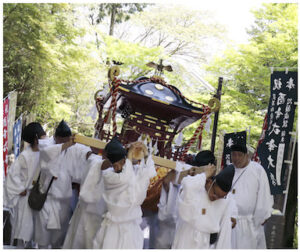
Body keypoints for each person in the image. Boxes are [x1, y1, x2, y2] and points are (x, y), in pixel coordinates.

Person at [34, 120, 90, 249]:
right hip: (46, 198)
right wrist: (67, 143)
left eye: (66, 140)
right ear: (55, 137)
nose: (64, 143)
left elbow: (84, 152)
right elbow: (48, 152)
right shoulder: (48, 145)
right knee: (43, 232)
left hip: (63, 200)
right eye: (61, 140)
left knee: (58, 235)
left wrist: (90, 155)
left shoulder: (73, 147)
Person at [93, 138, 157, 249]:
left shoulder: (133, 174)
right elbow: (125, 178)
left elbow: (147, 171)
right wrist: (129, 155)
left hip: (131, 228)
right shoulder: (109, 176)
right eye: (115, 164)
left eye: (121, 162)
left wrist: (146, 153)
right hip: (113, 227)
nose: (117, 167)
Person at [172, 159, 235, 249]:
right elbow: (187, 184)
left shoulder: (224, 202)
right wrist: (204, 175)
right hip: (185, 239)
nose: (215, 198)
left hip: (204, 244)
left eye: (220, 197)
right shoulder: (197, 188)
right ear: (209, 182)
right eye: (215, 194)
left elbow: (225, 235)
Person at [4, 122, 47, 248]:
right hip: (26, 197)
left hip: (39, 197)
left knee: (35, 231)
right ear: (35, 138)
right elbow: (12, 175)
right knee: (23, 230)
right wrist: (20, 189)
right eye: (42, 136)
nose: (46, 140)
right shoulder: (25, 155)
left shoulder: (44, 152)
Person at [63, 148, 110, 249]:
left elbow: (88, 155)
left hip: (98, 213)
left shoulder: (95, 160)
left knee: (88, 240)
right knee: (80, 239)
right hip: (88, 209)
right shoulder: (96, 162)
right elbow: (92, 157)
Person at [229, 144, 273, 249]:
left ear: (246, 156)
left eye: (239, 155)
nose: (236, 158)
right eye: (234, 155)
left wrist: (261, 217)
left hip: (250, 223)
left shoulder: (257, 170)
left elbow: (264, 194)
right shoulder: (229, 170)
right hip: (231, 222)